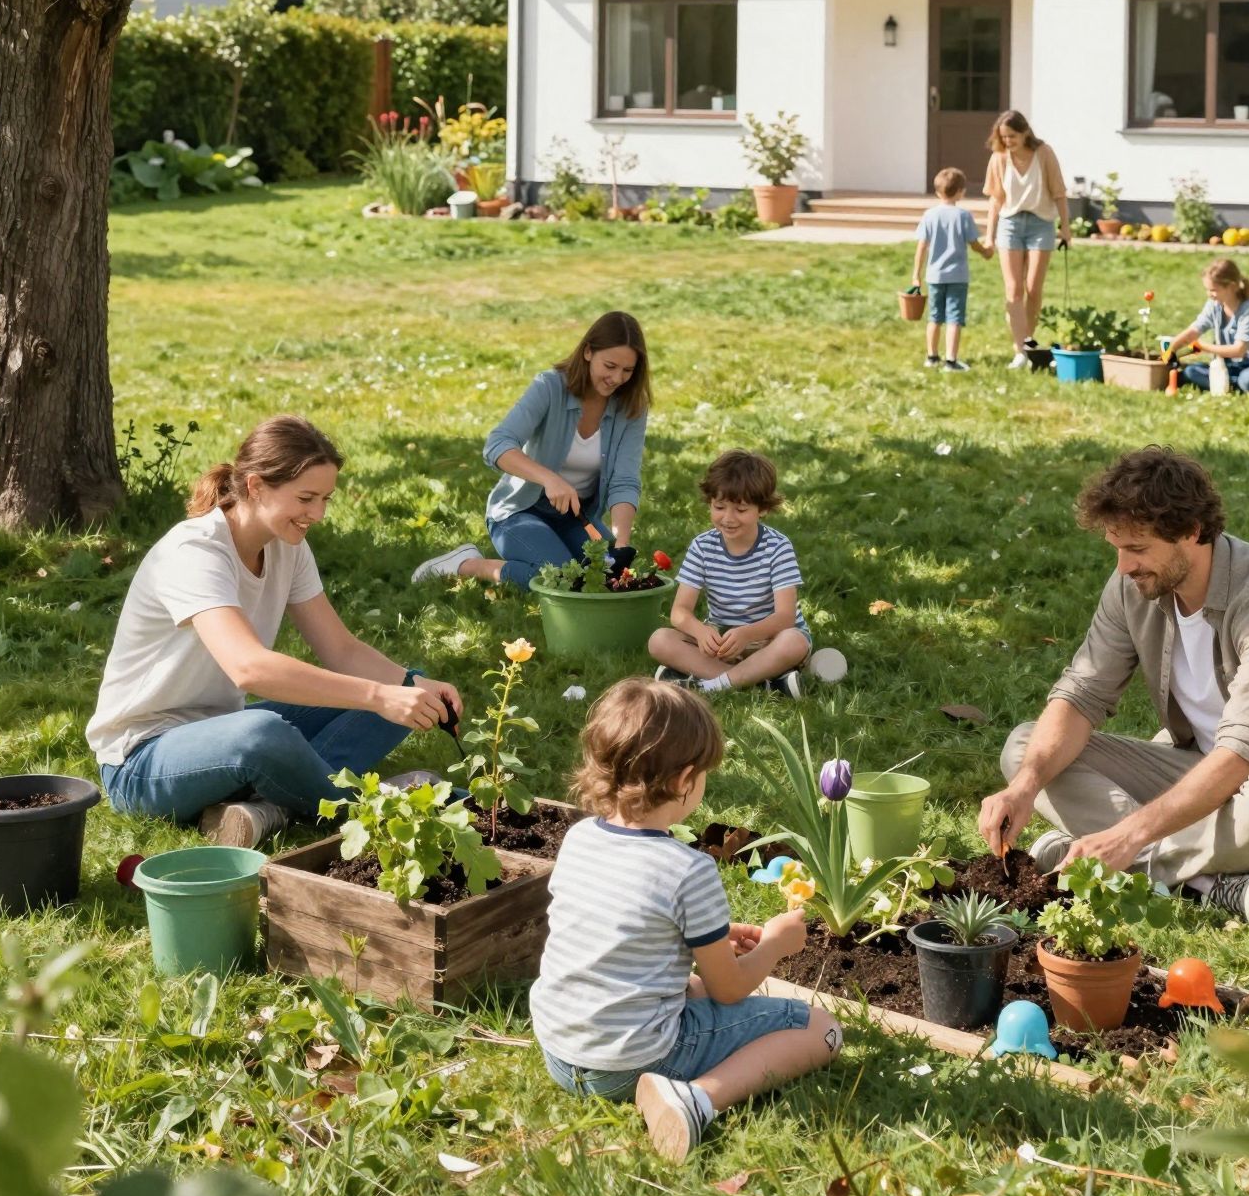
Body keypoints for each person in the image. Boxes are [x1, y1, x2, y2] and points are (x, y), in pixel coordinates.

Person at [978, 448, 1249, 928]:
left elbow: (1247, 750)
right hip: (1201, 773)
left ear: (1193, 532)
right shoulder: (1133, 588)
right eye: (1116, 547)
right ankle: (1209, 883)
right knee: (1026, 750)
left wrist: (1129, 835)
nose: (1123, 567)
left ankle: (1119, 859)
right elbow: (1081, 694)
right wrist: (1023, 788)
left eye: (1137, 549)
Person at [87, 418, 458, 850]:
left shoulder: (288, 546)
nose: (317, 514)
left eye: (324, 499)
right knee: (263, 733)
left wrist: (413, 686)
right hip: (142, 761)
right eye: (305, 498)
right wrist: (378, 695)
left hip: (222, 729)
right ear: (257, 486)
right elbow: (249, 668)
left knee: (406, 690)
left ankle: (269, 808)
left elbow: (340, 648)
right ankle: (371, 806)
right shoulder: (195, 552)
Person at [530, 678, 843, 1162]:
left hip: (561, 1051)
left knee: (691, 988)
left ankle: (669, 1086)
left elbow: (627, 931)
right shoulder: (689, 869)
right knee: (821, 1029)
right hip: (631, 1061)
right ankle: (697, 1100)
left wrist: (711, 939)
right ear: (684, 780)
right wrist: (776, 945)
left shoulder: (580, 838)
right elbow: (729, 990)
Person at [412, 310, 650, 592]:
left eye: (627, 370)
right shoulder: (549, 387)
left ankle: (553, 558)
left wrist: (621, 541)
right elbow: (498, 445)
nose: (616, 378)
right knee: (562, 581)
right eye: (609, 366)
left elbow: (625, 479)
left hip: (577, 517)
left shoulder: (632, 407)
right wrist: (550, 479)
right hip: (520, 511)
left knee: (608, 580)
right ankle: (469, 564)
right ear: (588, 352)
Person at [649, 449, 847, 698]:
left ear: (762, 509)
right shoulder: (702, 546)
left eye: (740, 510)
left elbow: (785, 617)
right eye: (719, 507)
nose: (728, 518)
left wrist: (747, 634)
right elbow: (679, 612)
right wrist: (700, 631)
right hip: (722, 643)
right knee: (659, 640)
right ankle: (764, 683)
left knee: (794, 642)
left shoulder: (777, 546)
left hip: (769, 640)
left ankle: (711, 683)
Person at [980, 110, 1070, 369]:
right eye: (1004, 137)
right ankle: (1020, 350)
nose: (1008, 141)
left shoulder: (1044, 153)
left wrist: (1066, 228)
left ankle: (1028, 341)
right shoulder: (999, 158)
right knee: (1014, 289)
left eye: (1012, 136)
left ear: (1025, 132)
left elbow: (1060, 193)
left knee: (1033, 288)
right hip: (1010, 224)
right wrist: (989, 234)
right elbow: (995, 200)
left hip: (1041, 224)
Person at [1165, 257, 1249, 397]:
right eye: (1207, 290)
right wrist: (1170, 349)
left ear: (1231, 287)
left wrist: (1203, 347)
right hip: (1229, 367)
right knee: (1191, 372)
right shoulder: (1214, 305)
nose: (1209, 295)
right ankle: (1232, 386)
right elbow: (1194, 330)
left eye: (1213, 290)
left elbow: (1239, 350)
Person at [911, 166, 991, 372]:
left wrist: (916, 275)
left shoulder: (929, 215)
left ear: (937, 192)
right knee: (954, 317)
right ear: (961, 191)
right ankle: (951, 361)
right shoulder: (963, 216)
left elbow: (922, 246)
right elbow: (973, 243)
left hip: (934, 276)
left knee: (934, 317)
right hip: (957, 276)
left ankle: (931, 357)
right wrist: (986, 252)